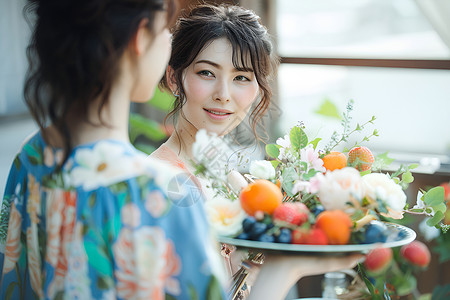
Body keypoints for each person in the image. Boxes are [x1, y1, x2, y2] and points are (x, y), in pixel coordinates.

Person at [0, 0, 229, 299]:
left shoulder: (31, 156)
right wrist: (282, 269)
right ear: (140, 36)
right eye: (166, 32)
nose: (169, 44)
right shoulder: (162, 192)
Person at [151, 3, 364, 300]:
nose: (223, 94)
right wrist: (288, 268)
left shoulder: (232, 178)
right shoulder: (166, 185)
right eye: (206, 73)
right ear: (175, 78)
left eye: (241, 78)